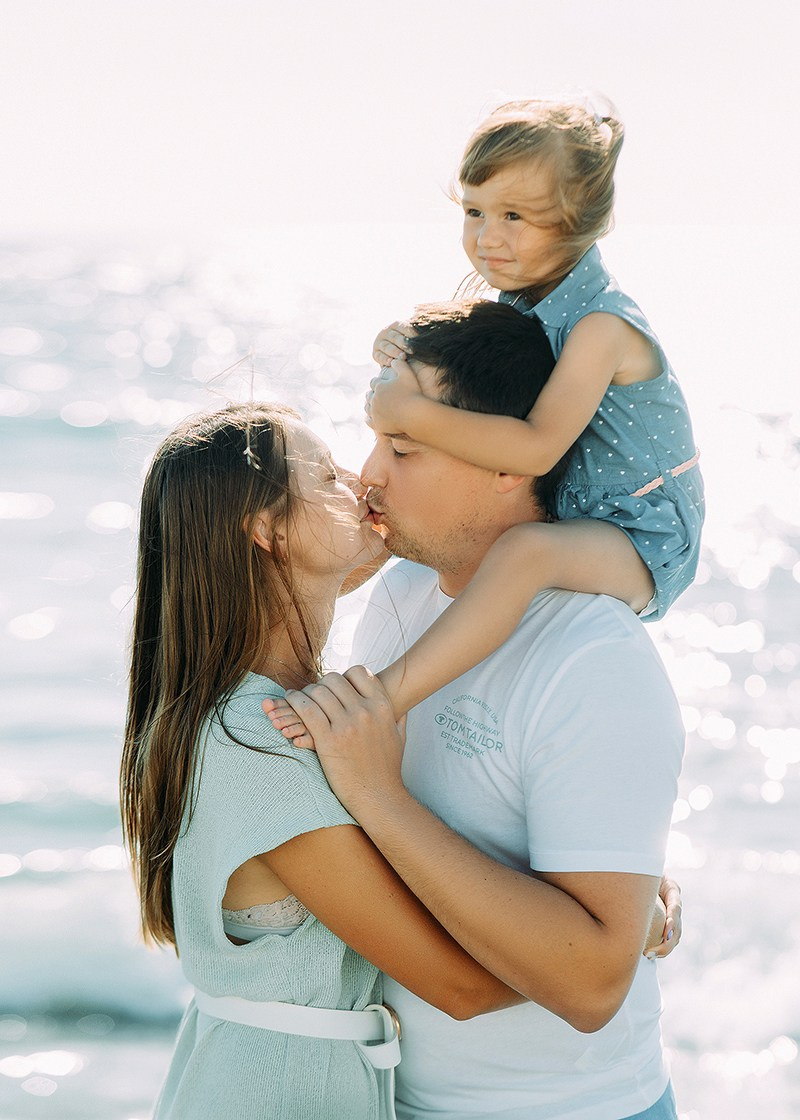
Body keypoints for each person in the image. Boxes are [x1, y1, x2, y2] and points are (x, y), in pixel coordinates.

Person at [264, 300, 686, 1120]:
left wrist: (377, 793)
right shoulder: (404, 592)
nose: (369, 474)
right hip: (389, 1096)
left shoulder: (591, 657)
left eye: (404, 449)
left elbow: (593, 986)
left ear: (507, 464)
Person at [120, 402, 535, 1120]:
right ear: (267, 531)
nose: (362, 481)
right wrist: (604, 929)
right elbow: (464, 987)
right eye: (326, 475)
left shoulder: (271, 706)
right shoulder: (258, 738)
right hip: (272, 1095)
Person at [356, 96, 705, 718]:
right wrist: (399, 344)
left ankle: (383, 699)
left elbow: (538, 446)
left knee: (525, 553)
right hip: (573, 506)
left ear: (579, 223)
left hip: (640, 531)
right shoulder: (521, 300)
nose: (487, 237)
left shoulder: (601, 326)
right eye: (474, 211)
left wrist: (411, 417)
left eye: (515, 215)